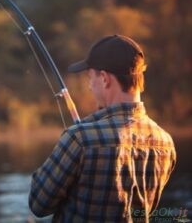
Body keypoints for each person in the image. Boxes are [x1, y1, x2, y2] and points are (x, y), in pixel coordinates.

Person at [28, 35, 176, 222]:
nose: (90, 86)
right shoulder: (166, 143)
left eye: (90, 78)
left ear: (105, 78)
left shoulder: (80, 138)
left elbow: (38, 205)